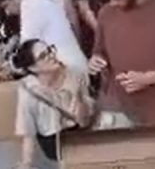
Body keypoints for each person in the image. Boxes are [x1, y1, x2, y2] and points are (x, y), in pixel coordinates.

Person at [13, 39, 94, 168]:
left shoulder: (74, 75)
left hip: (77, 134)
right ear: (33, 68)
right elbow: (28, 130)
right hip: (51, 141)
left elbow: (84, 121)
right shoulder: (28, 90)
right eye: (43, 56)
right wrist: (26, 163)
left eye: (49, 50)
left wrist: (77, 96)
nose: (51, 56)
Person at [0, 0, 88, 73]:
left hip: (68, 69)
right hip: (69, 63)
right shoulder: (35, 0)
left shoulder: (30, 9)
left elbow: (26, 53)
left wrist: (7, 66)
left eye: (6, 5)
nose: (7, 12)